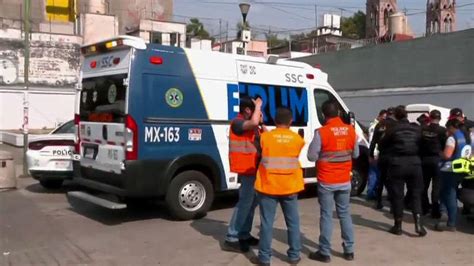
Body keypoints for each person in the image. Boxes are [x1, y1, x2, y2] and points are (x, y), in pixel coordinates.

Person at [250, 108, 305, 266]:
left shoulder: (265, 137)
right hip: (290, 186)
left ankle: (264, 258)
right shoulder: (297, 139)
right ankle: (294, 256)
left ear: (274, 121)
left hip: (268, 186)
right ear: (291, 121)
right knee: (293, 223)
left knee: (267, 223)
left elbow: (262, 146)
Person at [307, 101, 359, 262]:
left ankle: (324, 252)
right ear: (338, 113)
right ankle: (349, 250)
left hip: (327, 181)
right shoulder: (351, 131)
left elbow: (311, 156)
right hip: (344, 180)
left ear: (324, 115)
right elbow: (356, 154)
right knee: (344, 214)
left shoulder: (321, 132)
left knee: (326, 215)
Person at [224, 96, 266, 252]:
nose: (259, 113)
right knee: (245, 203)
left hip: (254, 169)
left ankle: (243, 233)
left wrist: (261, 122)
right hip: (246, 169)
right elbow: (254, 122)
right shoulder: (237, 122)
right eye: (255, 110)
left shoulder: (253, 125)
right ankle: (232, 236)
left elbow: (265, 137)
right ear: (248, 110)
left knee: (251, 203)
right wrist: (259, 106)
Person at [379, 105, 427, 237]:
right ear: (406, 116)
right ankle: (418, 224)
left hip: (397, 163)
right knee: (416, 194)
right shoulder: (416, 128)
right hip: (414, 163)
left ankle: (398, 226)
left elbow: (382, 144)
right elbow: (423, 144)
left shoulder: (392, 129)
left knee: (397, 195)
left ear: (396, 116)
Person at [435, 119, 472, 232]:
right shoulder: (467, 137)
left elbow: (447, 155)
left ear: (452, 127)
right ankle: (448, 217)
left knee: (450, 195)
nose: (447, 130)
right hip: (461, 169)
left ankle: (451, 223)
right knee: (451, 193)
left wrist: (439, 153)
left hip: (449, 170)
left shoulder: (452, 138)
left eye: (447, 128)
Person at [420, 110, 446, 218]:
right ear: (439, 118)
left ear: (430, 118)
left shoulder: (423, 129)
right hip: (437, 160)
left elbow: (419, 144)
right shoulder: (442, 130)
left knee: (424, 186)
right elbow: (445, 146)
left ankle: (425, 208)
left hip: (425, 160)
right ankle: (435, 211)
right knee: (436, 187)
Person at [370, 107, 397, 209]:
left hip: (382, 155)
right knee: (393, 180)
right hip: (393, 155)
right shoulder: (396, 125)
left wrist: (371, 155)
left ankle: (378, 201)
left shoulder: (380, 124)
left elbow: (373, 141)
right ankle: (393, 204)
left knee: (381, 178)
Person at [367, 110, 387, 200]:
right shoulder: (375, 126)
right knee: (375, 174)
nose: (384, 119)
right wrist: (374, 154)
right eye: (383, 117)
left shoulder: (376, 125)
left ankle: (372, 192)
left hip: (376, 153)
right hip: (376, 154)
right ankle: (371, 193)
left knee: (375, 174)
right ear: (379, 116)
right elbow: (372, 141)